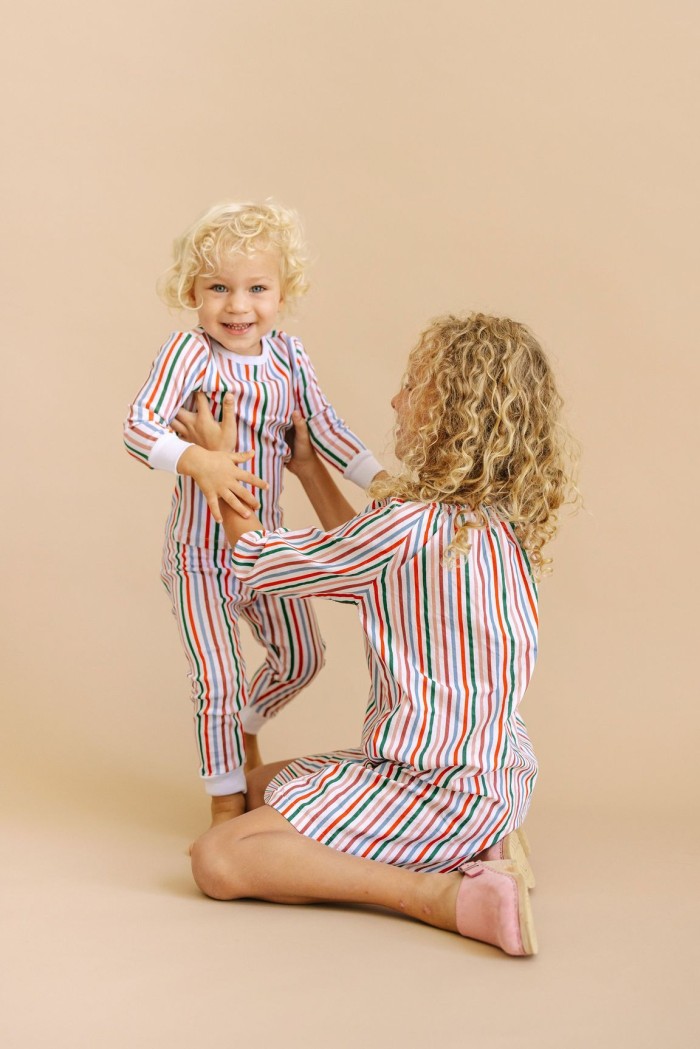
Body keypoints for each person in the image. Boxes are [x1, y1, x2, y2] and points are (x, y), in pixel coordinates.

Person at [179, 311, 578, 956]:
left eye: (414, 387)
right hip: (495, 774)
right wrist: (310, 470)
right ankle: (483, 841)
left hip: (434, 787)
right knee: (258, 790)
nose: (397, 400)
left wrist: (220, 469)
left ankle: (440, 897)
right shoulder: (486, 524)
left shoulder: (408, 528)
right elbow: (355, 562)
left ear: (451, 410)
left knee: (218, 858)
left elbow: (261, 561)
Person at [123, 201, 384, 831]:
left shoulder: (290, 358)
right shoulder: (191, 353)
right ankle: (225, 800)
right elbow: (137, 428)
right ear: (193, 293)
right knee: (216, 677)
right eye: (219, 289)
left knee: (302, 658)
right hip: (202, 558)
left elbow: (323, 429)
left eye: (256, 289)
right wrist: (198, 462)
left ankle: (240, 729)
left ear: (282, 293)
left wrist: (381, 481)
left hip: (266, 550)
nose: (238, 307)